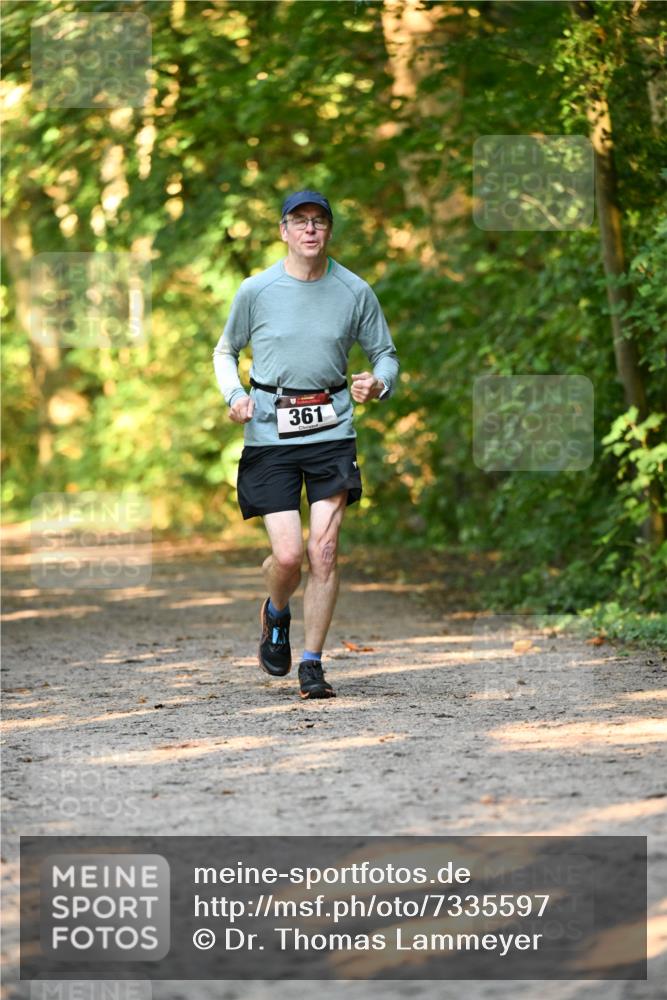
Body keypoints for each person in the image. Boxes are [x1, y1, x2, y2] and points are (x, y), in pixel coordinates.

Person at [212, 189, 399, 700]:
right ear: (284, 231)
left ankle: (312, 663)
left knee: (325, 551)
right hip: (270, 432)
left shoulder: (354, 290)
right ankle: (276, 612)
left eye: (319, 221)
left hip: (331, 430)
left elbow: (385, 354)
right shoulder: (256, 289)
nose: (310, 229)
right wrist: (235, 395)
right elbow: (226, 351)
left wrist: (379, 384)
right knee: (290, 556)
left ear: (329, 230)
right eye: (300, 221)